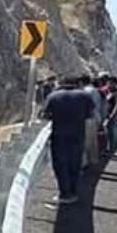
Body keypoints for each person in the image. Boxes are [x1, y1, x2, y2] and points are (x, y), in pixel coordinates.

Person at [41, 76, 96, 205]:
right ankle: (73, 192)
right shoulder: (84, 96)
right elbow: (91, 115)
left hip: (59, 135)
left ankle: (64, 193)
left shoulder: (53, 96)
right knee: (75, 163)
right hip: (78, 134)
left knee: (60, 164)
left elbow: (45, 115)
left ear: (61, 83)